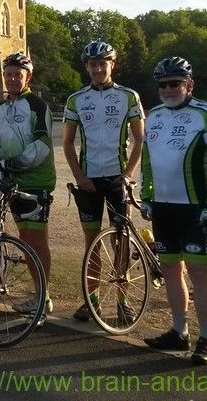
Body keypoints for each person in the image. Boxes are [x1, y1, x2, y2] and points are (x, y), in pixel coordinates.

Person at [140, 56, 207, 365]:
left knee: (199, 275)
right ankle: (179, 331)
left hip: (194, 209)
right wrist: (146, 195)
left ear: (189, 85)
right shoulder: (154, 116)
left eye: (174, 83)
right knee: (170, 272)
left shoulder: (205, 114)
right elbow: (148, 162)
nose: (167, 89)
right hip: (164, 208)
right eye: (162, 84)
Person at [62, 40, 144, 322]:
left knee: (120, 241)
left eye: (102, 63)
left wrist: (129, 174)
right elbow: (68, 142)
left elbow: (139, 139)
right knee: (92, 242)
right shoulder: (76, 99)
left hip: (117, 178)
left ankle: (123, 300)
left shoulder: (128, 96)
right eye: (92, 64)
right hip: (89, 180)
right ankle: (92, 300)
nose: (97, 69)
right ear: (86, 67)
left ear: (112, 64)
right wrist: (79, 176)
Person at [0, 52, 57, 321]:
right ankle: (41, 297)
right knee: (26, 240)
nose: (13, 78)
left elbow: (40, 147)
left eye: (18, 74)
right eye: (9, 74)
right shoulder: (1, 108)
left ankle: (43, 297)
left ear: (28, 77)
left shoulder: (37, 105)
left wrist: (10, 163)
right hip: (12, 183)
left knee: (37, 242)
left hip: (35, 183)